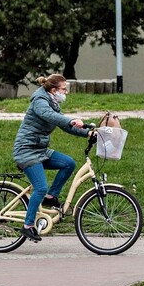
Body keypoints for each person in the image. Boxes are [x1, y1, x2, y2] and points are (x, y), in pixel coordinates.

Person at [12, 74, 93, 242]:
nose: (66, 92)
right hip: (26, 150)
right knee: (40, 187)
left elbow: (63, 124)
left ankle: (51, 197)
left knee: (68, 163)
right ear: (54, 90)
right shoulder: (40, 101)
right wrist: (71, 120)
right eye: (64, 89)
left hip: (40, 149)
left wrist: (88, 132)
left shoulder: (52, 102)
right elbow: (49, 116)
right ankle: (27, 226)